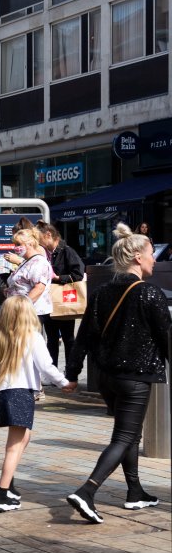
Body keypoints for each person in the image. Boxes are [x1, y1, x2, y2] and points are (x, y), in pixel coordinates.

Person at [64, 223, 171, 523]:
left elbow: (83, 337)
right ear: (137, 257)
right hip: (135, 378)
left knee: (128, 434)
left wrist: (72, 374)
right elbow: (167, 339)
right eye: (151, 254)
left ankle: (135, 492)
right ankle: (87, 491)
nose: (154, 260)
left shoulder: (101, 292)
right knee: (124, 437)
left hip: (108, 378)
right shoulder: (149, 293)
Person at [0, 296, 73, 512]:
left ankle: (9, 485)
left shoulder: (0, 338)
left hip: (2, 394)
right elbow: (46, 366)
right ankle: (3, 494)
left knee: (24, 437)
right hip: (20, 394)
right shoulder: (33, 337)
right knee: (14, 445)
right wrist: (64, 383)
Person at [4, 227, 53, 398]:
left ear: (30, 243)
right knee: (22, 349)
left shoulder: (39, 262)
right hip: (18, 310)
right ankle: (29, 385)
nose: (16, 247)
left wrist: (23, 305)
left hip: (30, 312)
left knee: (29, 348)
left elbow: (39, 287)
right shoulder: (26, 261)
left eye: (18, 244)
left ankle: (36, 388)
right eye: (15, 244)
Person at [35, 221, 85, 367]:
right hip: (48, 302)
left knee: (68, 338)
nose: (38, 242)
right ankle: (53, 371)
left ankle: (70, 372)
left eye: (39, 238)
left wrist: (58, 278)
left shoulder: (66, 251)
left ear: (48, 235)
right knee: (51, 338)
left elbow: (78, 274)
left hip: (63, 301)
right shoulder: (44, 253)